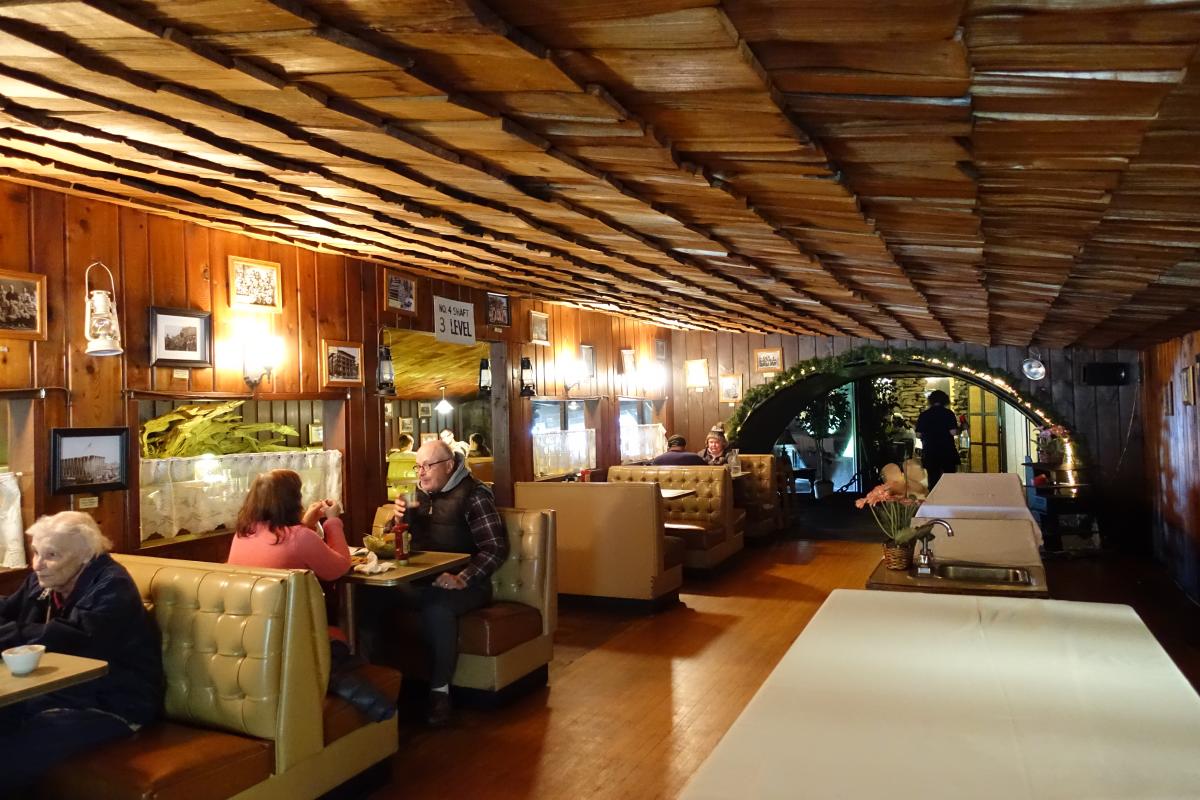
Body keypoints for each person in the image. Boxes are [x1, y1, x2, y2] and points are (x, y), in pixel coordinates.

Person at [0, 511, 163, 788]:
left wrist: (10, 633)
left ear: (86, 556)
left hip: (113, 704)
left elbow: (72, 638)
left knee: (10, 755)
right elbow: (8, 609)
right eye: (36, 553)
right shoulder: (44, 581)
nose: (38, 565)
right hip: (51, 695)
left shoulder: (112, 586)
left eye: (52, 555)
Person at [227, 469, 394, 721]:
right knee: (336, 650)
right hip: (293, 637)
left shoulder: (243, 535)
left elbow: (286, 545)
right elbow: (338, 567)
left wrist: (306, 523)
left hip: (252, 635)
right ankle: (377, 704)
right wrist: (332, 521)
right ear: (291, 500)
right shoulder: (300, 538)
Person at [387, 440, 508, 726]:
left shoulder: (474, 496)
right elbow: (394, 542)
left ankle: (439, 693)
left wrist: (462, 578)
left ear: (449, 466)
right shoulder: (418, 496)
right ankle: (381, 684)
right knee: (371, 598)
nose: (421, 473)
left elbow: (495, 548)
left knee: (436, 607)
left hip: (469, 586)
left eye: (428, 466)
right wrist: (397, 521)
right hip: (421, 579)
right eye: (419, 466)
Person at [915, 389, 960, 490]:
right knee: (949, 480)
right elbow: (953, 432)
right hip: (947, 450)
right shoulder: (949, 413)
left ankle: (934, 501)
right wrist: (960, 429)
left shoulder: (924, 415)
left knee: (933, 479)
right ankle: (950, 500)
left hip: (930, 451)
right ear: (945, 400)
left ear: (930, 400)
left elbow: (918, 434)